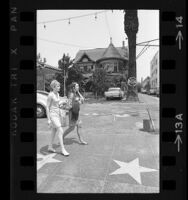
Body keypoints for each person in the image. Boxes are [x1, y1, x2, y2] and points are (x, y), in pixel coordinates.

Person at [46, 80, 69, 156]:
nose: (59, 87)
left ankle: (50, 147)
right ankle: (63, 149)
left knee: (54, 131)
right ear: (53, 87)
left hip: (58, 114)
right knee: (60, 130)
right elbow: (47, 107)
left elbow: (58, 103)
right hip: (52, 115)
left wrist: (64, 103)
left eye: (59, 86)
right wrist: (49, 119)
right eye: (58, 86)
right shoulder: (50, 95)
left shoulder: (58, 94)